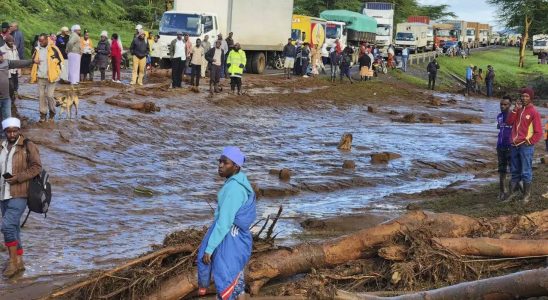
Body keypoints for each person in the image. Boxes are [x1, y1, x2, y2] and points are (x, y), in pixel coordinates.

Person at [197, 146, 256, 300]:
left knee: (225, 280)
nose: (220, 165)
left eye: (225, 162)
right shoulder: (240, 183)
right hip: (239, 240)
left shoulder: (234, 189)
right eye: (220, 161)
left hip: (230, 240)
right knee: (236, 281)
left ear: (235, 166)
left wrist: (209, 249)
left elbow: (224, 223)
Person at [0, 117, 42, 277]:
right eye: (8, 131)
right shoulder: (1, 146)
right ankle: (20, 261)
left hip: (21, 193)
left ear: (18, 130)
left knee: (7, 226)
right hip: (3, 194)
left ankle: (12, 262)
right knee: (14, 227)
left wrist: (18, 177)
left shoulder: (27, 145)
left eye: (14, 131)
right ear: (4, 132)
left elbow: (37, 167)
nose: (11, 134)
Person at [506, 88, 543, 203]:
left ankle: (526, 196)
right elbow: (509, 122)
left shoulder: (534, 112)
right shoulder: (518, 110)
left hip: (525, 146)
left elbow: (539, 132)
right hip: (514, 145)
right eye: (522, 96)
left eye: (526, 96)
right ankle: (513, 194)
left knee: (526, 171)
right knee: (514, 170)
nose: (524, 98)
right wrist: (514, 110)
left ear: (530, 98)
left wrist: (530, 142)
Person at [30, 34, 63, 122]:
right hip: (40, 76)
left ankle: (52, 112)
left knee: (49, 95)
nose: (40, 43)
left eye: (42, 41)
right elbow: (32, 60)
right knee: (41, 96)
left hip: (51, 77)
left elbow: (61, 62)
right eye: (39, 41)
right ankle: (43, 114)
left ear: (46, 40)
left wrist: (58, 74)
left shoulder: (54, 49)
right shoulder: (37, 49)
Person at [1, 49, 34, 121]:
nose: (2, 57)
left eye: (2, 55)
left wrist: (32, 61)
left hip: (5, 97)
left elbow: (18, 63)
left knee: (7, 119)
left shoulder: (6, 63)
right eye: (1, 56)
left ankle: (6, 131)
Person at [496, 96, 513, 201]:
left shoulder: (514, 116)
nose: (502, 106)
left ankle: (512, 192)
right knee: (502, 170)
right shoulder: (499, 116)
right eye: (501, 104)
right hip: (500, 146)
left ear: (510, 105)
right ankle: (502, 191)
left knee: (513, 170)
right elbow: (500, 127)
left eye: (505, 104)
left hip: (511, 147)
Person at [0, 35, 20, 116]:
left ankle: (12, 102)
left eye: (12, 42)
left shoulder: (15, 48)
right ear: (6, 42)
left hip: (15, 71)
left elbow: (17, 59)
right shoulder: (1, 49)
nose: (11, 43)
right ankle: (9, 104)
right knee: (10, 88)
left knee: (15, 87)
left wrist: (19, 69)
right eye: (10, 42)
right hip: (8, 73)